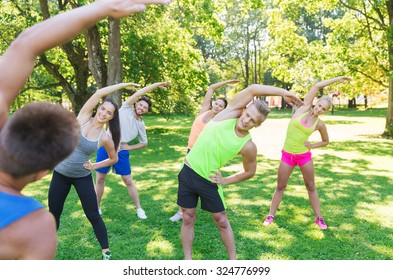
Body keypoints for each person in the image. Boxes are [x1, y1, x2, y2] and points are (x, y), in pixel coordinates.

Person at [1, 0, 172, 260]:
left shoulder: (105, 137)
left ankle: (106, 250)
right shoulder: (35, 228)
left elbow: (26, 43)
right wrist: (120, 84)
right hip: (62, 176)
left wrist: (104, 8)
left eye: (108, 112)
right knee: (53, 213)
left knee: (92, 214)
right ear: (42, 172)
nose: (104, 112)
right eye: (102, 109)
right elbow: (98, 93)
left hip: (81, 176)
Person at [177, 83, 303, 259]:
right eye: (247, 115)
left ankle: (234, 262)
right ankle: (187, 260)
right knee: (188, 217)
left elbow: (250, 171)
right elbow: (252, 89)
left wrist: (225, 180)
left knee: (221, 221)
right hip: (187, 172)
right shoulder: (229, 113)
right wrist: (284, 93)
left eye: (253, 120)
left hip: (209, 180)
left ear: (257, 125)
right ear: (244, 110)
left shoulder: (248, 146)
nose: (246, 120)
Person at [262, 76, 352, 230]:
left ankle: (319, 218)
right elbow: (317, 86)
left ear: (325, 111)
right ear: (316, 103)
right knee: (280, 186)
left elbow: (325, 141)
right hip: (287, 155)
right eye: (319, 105)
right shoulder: (304, 107)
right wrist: (337, 80)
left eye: (323, 109)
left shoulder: (320, 124)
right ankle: (271, 215)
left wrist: (311, 145)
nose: (318, 109)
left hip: (304, 156)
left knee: (311, 186)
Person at [95, 81, 171, 220]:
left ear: (147, 111)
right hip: (105, 146)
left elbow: (144, 143)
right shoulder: (125, 108)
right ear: (136, 104)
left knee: (128, 181)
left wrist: (129, 147)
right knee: (100, 179)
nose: (142, 108)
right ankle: (96, 208)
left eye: (145, 107)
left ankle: (139, 209)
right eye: (141, 104)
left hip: (121, 151)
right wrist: (157, 85)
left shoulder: (141, 125)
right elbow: (139, 93)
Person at [170, 79, 239, 222]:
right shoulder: (203, 111)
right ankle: (183, 210)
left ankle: (216, 209)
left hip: (201, 155)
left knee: (207, 181)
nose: (217, 106)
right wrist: (229, 81)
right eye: (217, 103)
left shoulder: (219, 121)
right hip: (190, 151)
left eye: (221, 106)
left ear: (223, 110)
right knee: (185, 181)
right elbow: (211, 88)